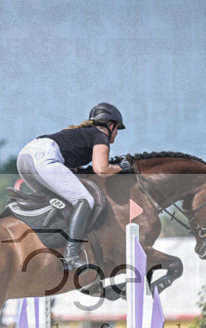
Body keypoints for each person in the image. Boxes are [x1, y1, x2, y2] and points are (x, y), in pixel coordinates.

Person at [16, 102, 129, 270]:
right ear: (110, 126)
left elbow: (73, 168)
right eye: (117, 129)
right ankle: (72, 255)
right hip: (44, 158)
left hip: (25, 158)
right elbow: (101, 169)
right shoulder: (100, 135)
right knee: (85, 200)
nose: (116, 134)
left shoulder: (80, 134)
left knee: (59, 201)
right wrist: (121, 167)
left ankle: (48, 242)